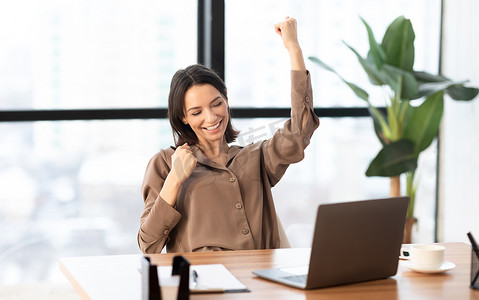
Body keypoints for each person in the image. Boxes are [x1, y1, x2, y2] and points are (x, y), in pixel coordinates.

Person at [138, 17, 319, 253]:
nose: (211, 117)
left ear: (226, 98)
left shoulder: (257, 158)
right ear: (183, 117)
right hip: (204, 283)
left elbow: (300, 130)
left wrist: (294, 49)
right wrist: (175, 180)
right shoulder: (164, 163)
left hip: (259, 282)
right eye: (196, 112)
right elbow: (148, 245)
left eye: (216, 104)